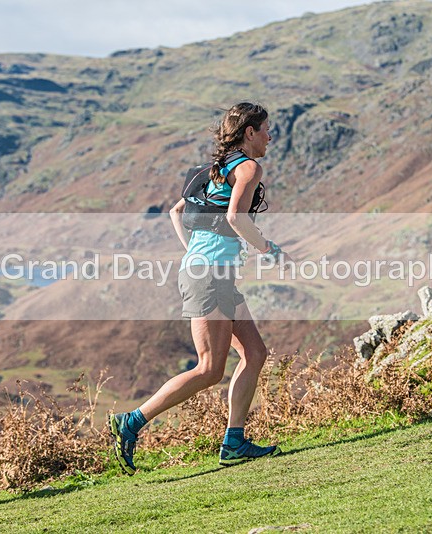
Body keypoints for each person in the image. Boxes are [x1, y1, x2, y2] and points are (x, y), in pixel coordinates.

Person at [108, 102, 291, 475]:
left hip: (211, 273)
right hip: (210, 275)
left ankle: (234, 441)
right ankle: (131, 422)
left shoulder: (214, 169)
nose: (271, 136)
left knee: (255, 352)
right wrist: (267, 249)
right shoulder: (249, 167)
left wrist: (194, 253)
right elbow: (235, 216)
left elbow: (177, 212)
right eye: (267, 129)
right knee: (209, 369)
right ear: (250, 132)